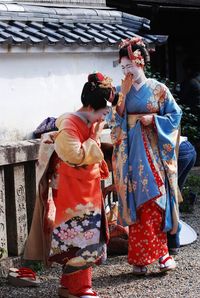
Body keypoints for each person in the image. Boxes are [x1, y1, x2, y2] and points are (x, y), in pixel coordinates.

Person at [23, 72, 114, 298]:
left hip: (84, 185)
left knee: (86, 232)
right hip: (72, 188)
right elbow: (73, 155)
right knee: (81, 234)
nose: (105, 116)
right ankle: (80, 288)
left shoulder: (85, 122)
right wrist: (93, 139)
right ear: (93, 107)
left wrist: (93, 136)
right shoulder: (70, 123)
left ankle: (68, 285)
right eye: (104, 111)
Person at [106, 37, 182, 275]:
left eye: (130, 66)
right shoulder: (120, 91)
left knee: (156, 201)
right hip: (130, 155)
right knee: (136, 205)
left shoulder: (159, 89)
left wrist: (155, 120)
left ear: (141, 63)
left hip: (154, 152)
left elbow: (175, 116)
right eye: (123, 67)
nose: (127, 71)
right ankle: (139, 259)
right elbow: (114, 125)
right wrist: (121, 101)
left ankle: (162, 254)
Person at [167, 137, 197, 254]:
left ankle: (172, 242)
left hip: (178, 150)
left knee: (169, 195)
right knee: (174, 194)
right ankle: (173, 240)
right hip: (188, 147)